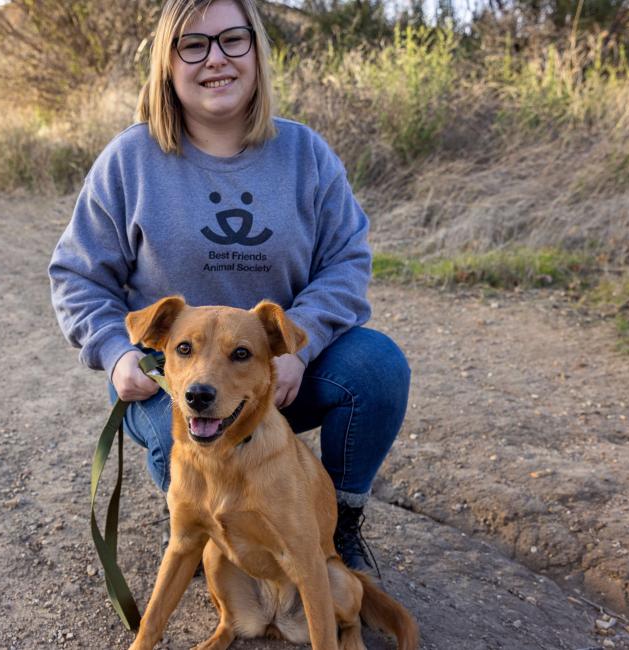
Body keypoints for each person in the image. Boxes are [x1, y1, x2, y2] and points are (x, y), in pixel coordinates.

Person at [48, 0, 410, 577]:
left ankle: (335, 526)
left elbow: (346, 261)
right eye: (193, 45)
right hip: (179, 379)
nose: (215, 59)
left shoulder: (305, 154)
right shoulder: (130, 160)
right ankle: (201, 530)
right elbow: (78, 276)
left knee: (378, 368)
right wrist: (117, 355)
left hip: (276, 369)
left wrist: (300, 348)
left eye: (232, 41)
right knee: (187, 447)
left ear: (257, 53)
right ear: (168, 64)